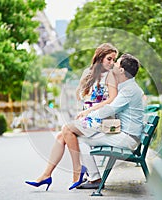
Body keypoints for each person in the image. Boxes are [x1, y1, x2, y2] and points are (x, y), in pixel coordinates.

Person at [25, 43, 118, 191]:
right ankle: (46, 175)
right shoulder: (88, 73)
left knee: (66, 129)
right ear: (100, 58)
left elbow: (112, 99)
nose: (112, 63)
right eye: (109, 59)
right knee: (61, 136)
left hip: (102, 120)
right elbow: (80, 95)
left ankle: (77, 172)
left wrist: (90, 110)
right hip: (89, 119)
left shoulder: (111, 76)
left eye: (113, 59)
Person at [62, 53, 144, 189]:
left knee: (80, 139)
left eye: (117, 63)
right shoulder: (128, 87)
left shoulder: (129, 90)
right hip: (127, 135)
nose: (114, 64)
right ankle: (93, 177)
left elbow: (110, 109)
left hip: (127, 139)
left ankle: (95, 179)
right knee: (81, 136)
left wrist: (88, 114)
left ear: (122, 70)